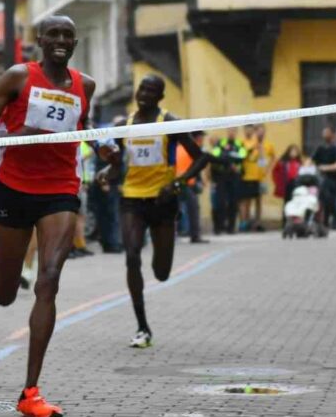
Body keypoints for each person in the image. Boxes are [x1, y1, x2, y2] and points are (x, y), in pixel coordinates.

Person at [0, 15, 95, 417]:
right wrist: (4, 138)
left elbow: (83, 128)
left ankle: (30, 392)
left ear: (75, 42)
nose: (60, 40)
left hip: (60, 189)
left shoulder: (85, 85)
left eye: (67, 35)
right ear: (40, 40)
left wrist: (103, 148)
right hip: (13, 186)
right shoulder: (17, 78)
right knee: (5, 294)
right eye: (53, 34)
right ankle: (7, 284)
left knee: (50, 280)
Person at [97, 74, 208, 348]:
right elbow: (118, 165)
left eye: (152, 90)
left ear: (160, 96)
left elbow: (202, 158)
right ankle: (142, 327)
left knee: (161, 272)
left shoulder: (170, 123)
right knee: (132, 256)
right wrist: (106, 171)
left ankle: (163, 254)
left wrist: (178, 183)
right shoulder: (124, 125)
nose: (144, 94)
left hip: (163, 201)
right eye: (142, 89)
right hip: (132, 200)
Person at [209, 128, 246, 235]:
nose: (231, 132)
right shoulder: (221, 143)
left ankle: (231, 227)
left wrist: (226, 156)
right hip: (221, 176)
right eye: (230, 131)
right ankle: (219, 227)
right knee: (220, 202)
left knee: (233, 202)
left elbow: (242, 156)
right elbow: (216, 154)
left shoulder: (239, 144)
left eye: (234, 131)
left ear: (236, 132)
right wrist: (230, 159)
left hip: (234, 176)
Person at [239, 124, 275, 231]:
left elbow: (272, 157)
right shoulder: (249, 143)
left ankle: (257, 223)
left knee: (259, 199)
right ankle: (245, 222)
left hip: (260, 178)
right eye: (258, 131)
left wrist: (268, 170)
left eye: (262, 131)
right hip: (247, 176)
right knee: (246, 200)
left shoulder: (267, 145)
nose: (261, 133)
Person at [175, 131, 208, 244]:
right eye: (201, 138)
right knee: (193, 209)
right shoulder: (192, 148)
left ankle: (170, 236)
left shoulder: (179, 148)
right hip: (186, 183)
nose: (202, 140)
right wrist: (201, 181)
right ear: (197, 139)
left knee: (174, 209)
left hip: (176, 182)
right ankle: (195, 235)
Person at [312, 126, 336, 229]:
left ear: (332, 134)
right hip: (325, 181)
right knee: (325, 200)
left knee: (335, 202)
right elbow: (312, 159)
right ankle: (327, 222)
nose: (324, 135)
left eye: (327, 133)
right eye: (324, 133)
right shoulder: (321, 148)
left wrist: (323, 168)